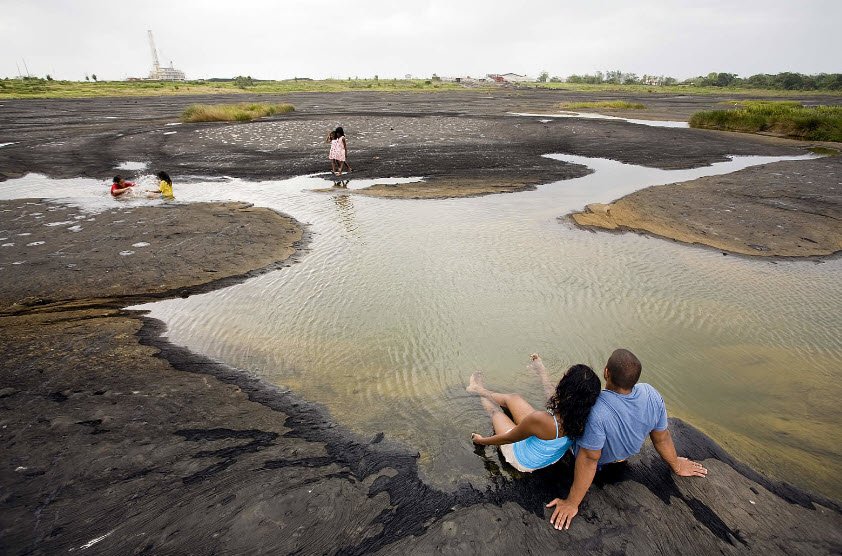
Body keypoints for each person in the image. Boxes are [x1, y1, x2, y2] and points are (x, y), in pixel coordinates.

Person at [546, 349, 708, 530]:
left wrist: (572, 503)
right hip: (623, 457)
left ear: (606, 372)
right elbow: (661, 437)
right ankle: (540, 370)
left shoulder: (597, 409)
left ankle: (538, 372)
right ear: (636, 378)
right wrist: (676, 464)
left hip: (598, 462)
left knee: (558, 400)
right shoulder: (651, 394)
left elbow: (590, 459)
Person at [468, 354, 601, 473]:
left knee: (496, 412)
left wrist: (481, 441)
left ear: (565, 388)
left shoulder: (542, 420)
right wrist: (541, 370)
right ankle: (478, 389)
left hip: (522, 458)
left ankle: (477, 389)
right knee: (513, 398)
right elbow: (551, 394)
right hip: (547, 455)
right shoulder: (583, 415)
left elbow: (509, 438)